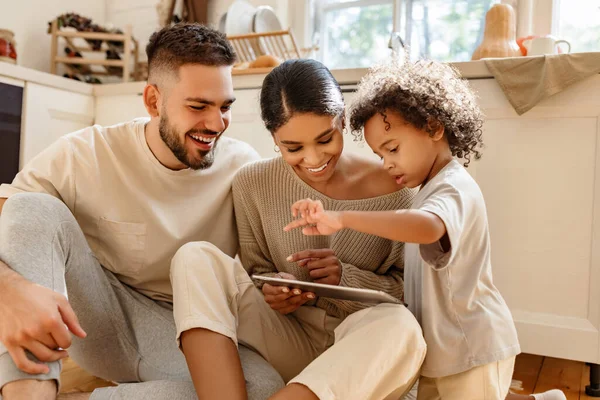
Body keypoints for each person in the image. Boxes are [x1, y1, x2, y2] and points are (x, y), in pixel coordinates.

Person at [0, 23, 284, 400]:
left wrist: (281, 284)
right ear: (153, 101)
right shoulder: (87, 153)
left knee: (262, 389)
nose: (216, 124)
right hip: (98, 316)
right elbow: (17, 222)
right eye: (199, 106)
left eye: (225, 107)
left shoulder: (243, 168)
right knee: (30, 206)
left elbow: (260, 268)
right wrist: (10, 290)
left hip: (182, 331)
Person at [283, 59, 553, 400]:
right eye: (380, 155)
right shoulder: (428, 189)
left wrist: (342, 217)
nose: (387, 163)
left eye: (392, 148)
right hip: (440, 351)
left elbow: (427, 227)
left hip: (471, 347)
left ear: (433, 127)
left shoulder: (451, 187)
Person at [169, 59, 427, 400]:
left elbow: (410, 295)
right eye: (293, 148)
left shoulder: (399, 190)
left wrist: (343, 278)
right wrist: (275, 291)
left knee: (403, 327)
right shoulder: (253, 183)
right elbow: (257, 272)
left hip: (359, 349)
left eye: (325, 139)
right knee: (194, 257)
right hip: (287, 336)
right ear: (274, 137)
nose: (313, 158)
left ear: (343, 120)